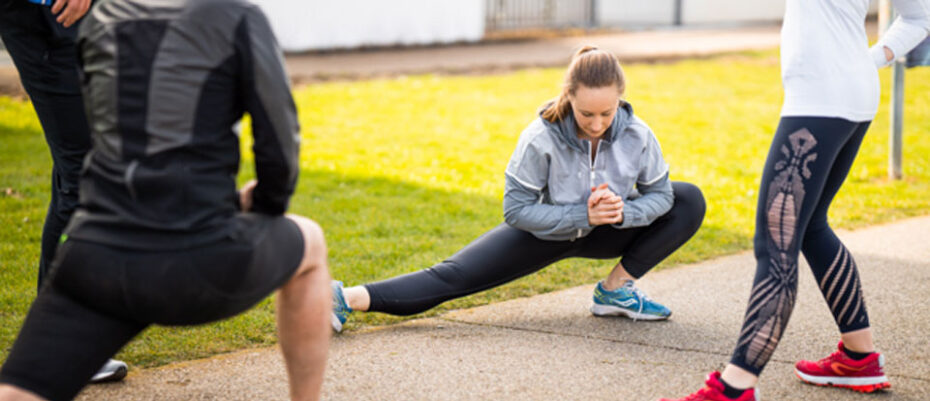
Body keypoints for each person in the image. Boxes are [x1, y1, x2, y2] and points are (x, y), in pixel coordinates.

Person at [0, 0, 333, 400]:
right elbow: (279, 149)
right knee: (310, 241)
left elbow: (99, 139)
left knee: (18, 391)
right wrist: (262, 204)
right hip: (198, 259)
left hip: (93, 260)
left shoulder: (103, 19)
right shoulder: (238, 17)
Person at [330, 46, 706, 332]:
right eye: (586, 114)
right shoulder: (540, 137)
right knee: (452, 276)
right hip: (547, 232)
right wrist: (580, 214)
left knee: (690, 198)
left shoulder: (638, 134)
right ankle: (343, 299)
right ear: (569, 96)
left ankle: (616, 290)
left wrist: (623, 212)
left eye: (606, 114)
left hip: (611, 230)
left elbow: (662, 196)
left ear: (620, 99)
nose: (596, 124)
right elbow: (516, 210)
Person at [660, 1, 930, 400]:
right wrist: (865, 60)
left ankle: (735, 386)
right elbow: (920, 15)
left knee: (776, 243)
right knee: (811, 225)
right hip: (848, 94)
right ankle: (859, 357)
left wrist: (867, 57)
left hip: (820, 100)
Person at [0, 0, 127, 383]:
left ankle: (56, 337)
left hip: (86, 18)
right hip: (40, 15)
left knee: (83, 166)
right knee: (83, 172)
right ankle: (56, 347)